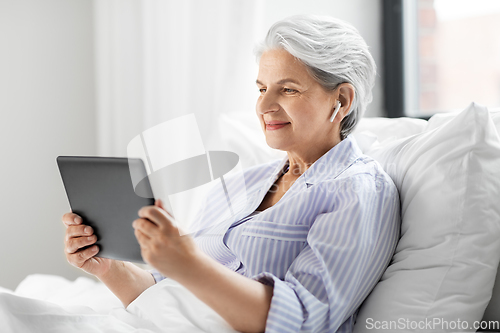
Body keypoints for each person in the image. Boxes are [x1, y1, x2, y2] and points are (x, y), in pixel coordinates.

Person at [62, 14, 400, 333]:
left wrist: (188, 262)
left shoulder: (358, 191)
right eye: (261, 88)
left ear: (341, 99)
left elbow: (302, 321)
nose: (265, 106)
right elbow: (166, 292)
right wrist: (106, 266)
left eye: (288, 89)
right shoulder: (242, 184)